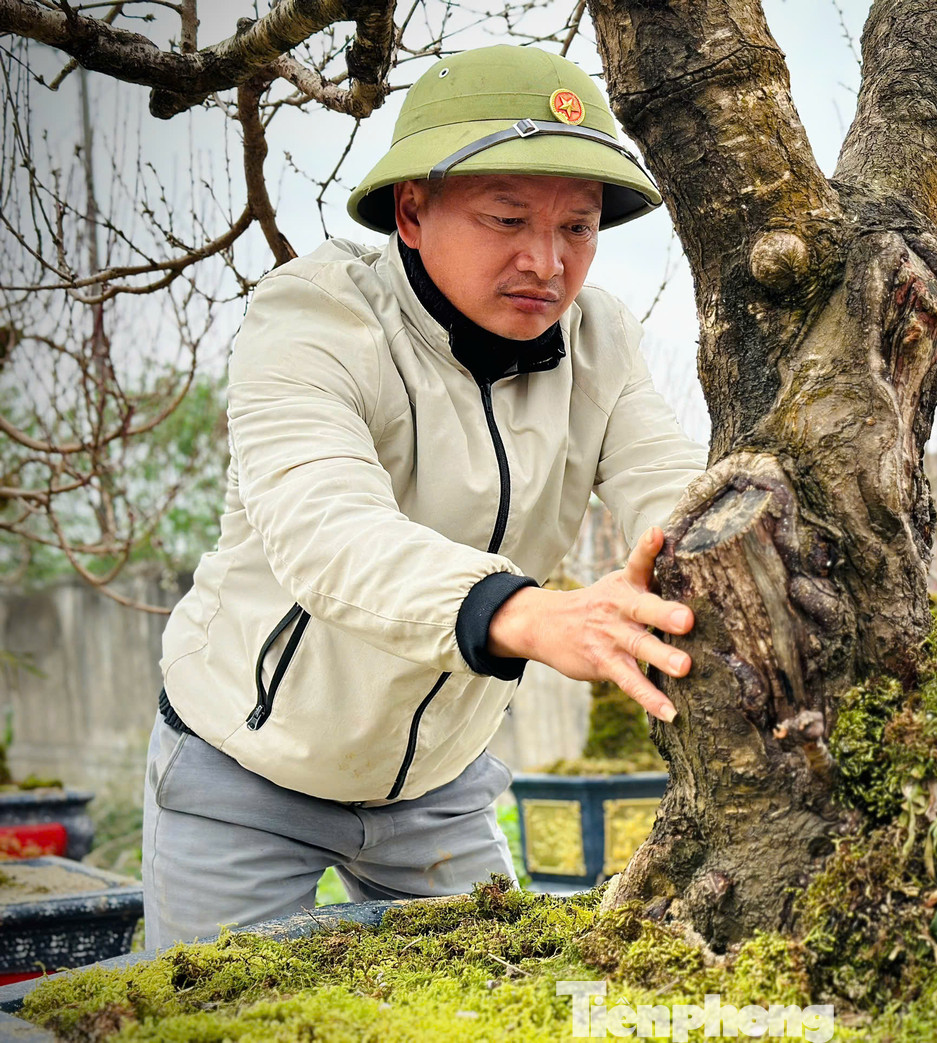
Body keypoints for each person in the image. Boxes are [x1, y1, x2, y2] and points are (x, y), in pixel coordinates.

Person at [140, 44, 706, 948]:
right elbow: (328, 529)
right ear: (412, 210)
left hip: (438, 788)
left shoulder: (603, 340)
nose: (546, 263)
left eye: (578, 228)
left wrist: (725, 568)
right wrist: (530, 615)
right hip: (245, 770)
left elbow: (671, 494)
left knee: (492, 1004)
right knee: (207, 1015)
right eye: (507, 217)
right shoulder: (313, 318)